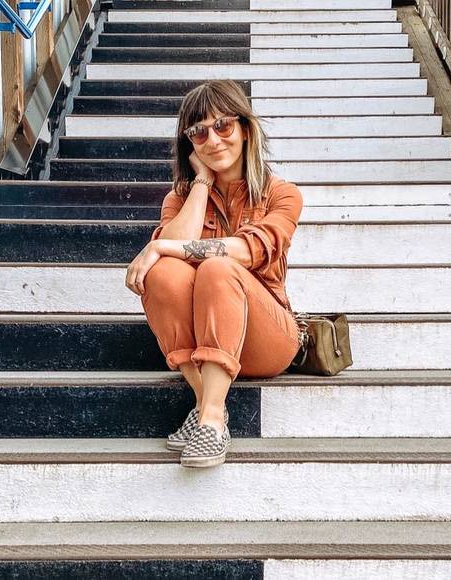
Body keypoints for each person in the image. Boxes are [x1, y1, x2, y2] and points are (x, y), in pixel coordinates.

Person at [125, 79, 303, 468]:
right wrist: (202, 184)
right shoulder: (180, 197)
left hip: (267, 337)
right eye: (199, 132)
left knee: (218, 267)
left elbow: (249, 250)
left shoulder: (281, 194)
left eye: (223, 125)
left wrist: (160, 246)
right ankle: (211, 410)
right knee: (163, 274)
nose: (213, 140)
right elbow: (171, 253)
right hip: (205, 338)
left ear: (245, 128)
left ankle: (207, 418)